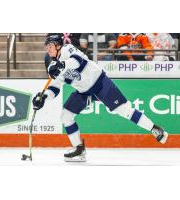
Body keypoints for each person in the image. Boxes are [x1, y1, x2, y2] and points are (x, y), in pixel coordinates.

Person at [33, 34, 168, 162]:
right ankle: (79, 149)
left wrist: (62, 65)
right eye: (46, 47)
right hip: (84, 92)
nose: (48, 49)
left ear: (57, 45)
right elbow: (54, 87)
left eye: (49, 46)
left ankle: (155, 128)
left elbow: (77, 61)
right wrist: (44, 97)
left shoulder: (67, 49)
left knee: (125, 110)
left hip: (100, 83)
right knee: (66, 116)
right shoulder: (53, 66)